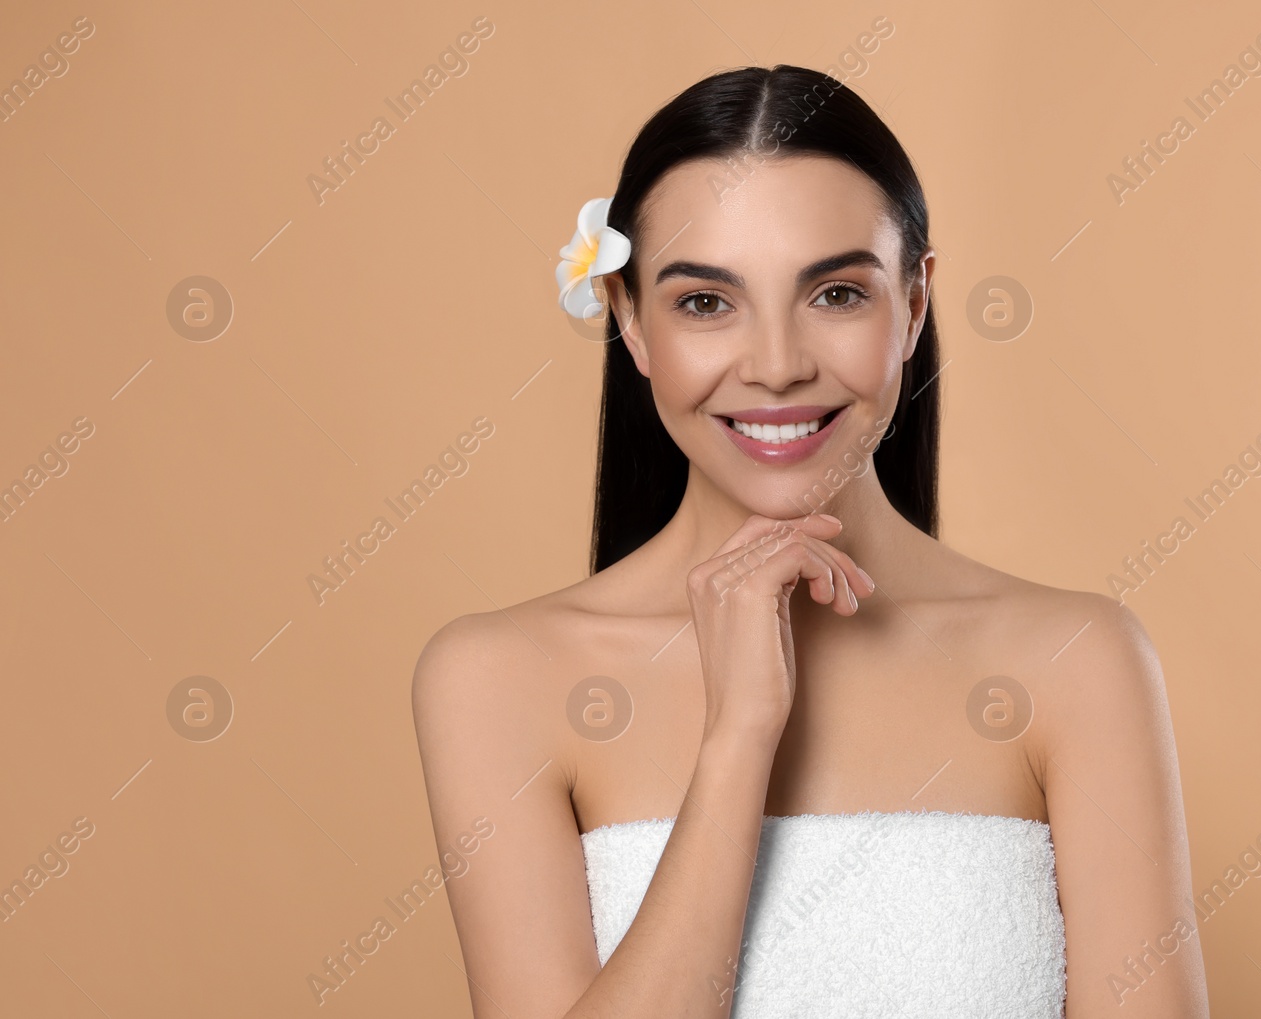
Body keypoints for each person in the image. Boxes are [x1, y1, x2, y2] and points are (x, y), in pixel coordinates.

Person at [412, 64, 1209, 1019]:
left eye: (835, 293)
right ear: (628, 318)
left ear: (913, 305)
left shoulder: (1081, 662)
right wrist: (740, 735)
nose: (779, 365)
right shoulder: (497, 678)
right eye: (706, 302)